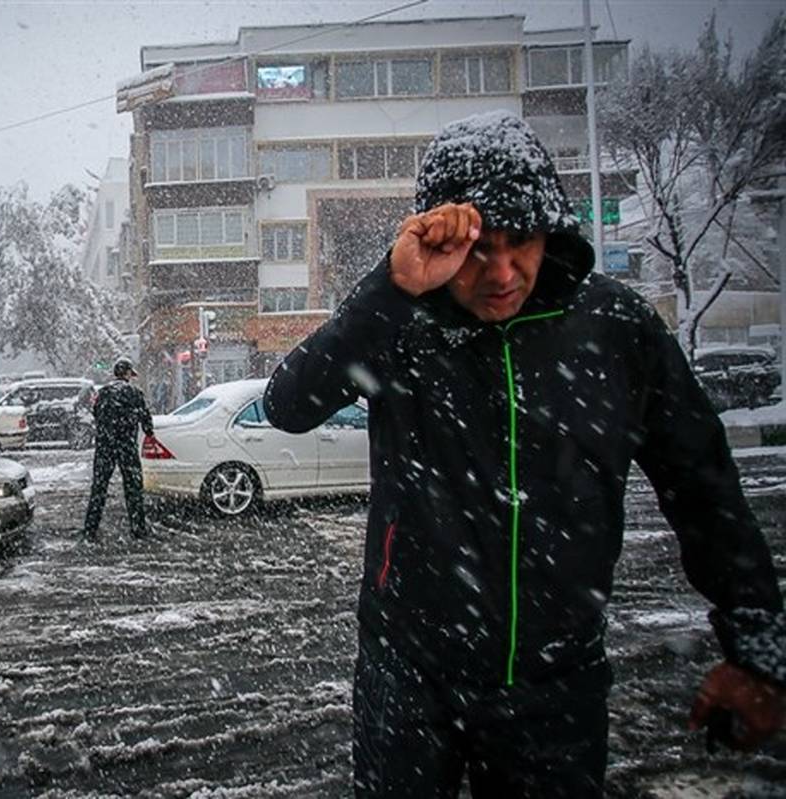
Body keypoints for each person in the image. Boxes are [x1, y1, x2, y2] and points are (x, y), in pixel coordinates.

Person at [263, 111, 784, 797]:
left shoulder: (614, 328)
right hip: (408, 669)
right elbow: (289, 404)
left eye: (522, 243)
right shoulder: (403, 323)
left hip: (556, 679)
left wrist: (757, 650)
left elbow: (704, 487)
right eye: (479, 250)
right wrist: (392, 289)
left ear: (552, 233)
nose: (503, 272)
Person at [81, 356, 154, 540]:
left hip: (105, 445)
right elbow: (145, 417)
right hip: (126, 446)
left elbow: (96, 413)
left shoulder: (103, 392)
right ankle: (138, 529)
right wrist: (149, 432)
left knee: (99, 487)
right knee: (133, 488)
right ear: (128, 374)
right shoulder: (134, 393)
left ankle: (90, 529)